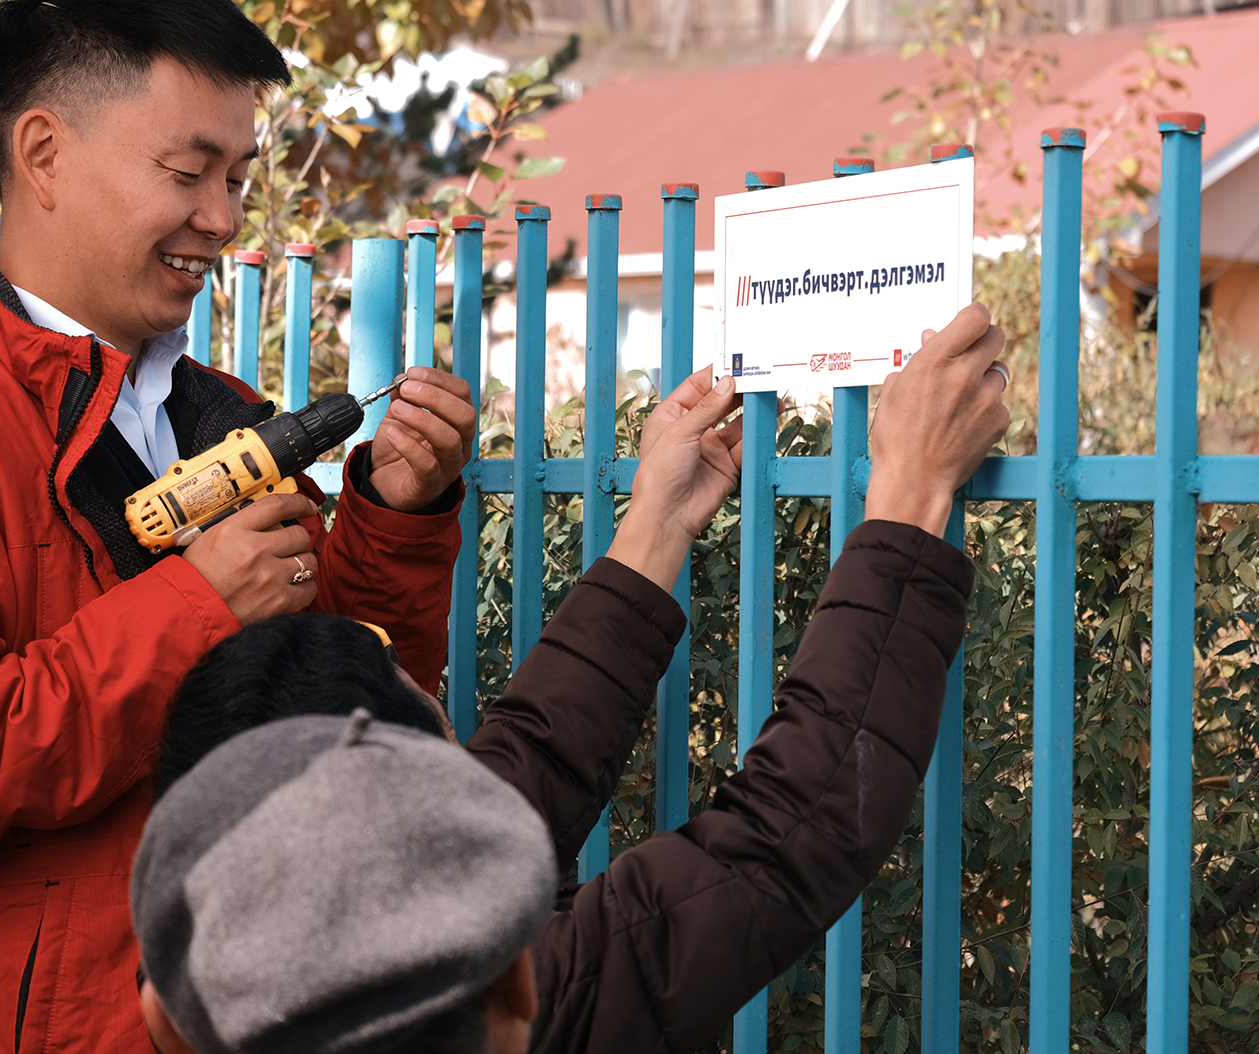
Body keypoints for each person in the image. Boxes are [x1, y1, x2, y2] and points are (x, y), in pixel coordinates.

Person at [0, 1, 476, 1050]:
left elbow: (349, 704)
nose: (226, 219)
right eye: (188, 174)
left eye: (237, 179)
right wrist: (194, 608)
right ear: (43, 153)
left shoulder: (215, 412)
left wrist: (396, 518)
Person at [130, 304, 1013, 1053]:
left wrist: (654, 530)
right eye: (445, 747)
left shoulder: (239, 992)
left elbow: (527, 770)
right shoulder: (484, 1011)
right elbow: (789, 833)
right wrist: (911, 492)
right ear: (516, 985)